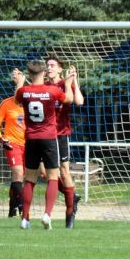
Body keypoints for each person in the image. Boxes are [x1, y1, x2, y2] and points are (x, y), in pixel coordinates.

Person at [13, 60, 74, 230]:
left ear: (29, 74)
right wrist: (68, 84)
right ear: (44, 73)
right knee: (53, 177)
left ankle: (25, 219)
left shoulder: (24, 91)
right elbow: (68, 99)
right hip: (49, 138)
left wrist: (18, 83)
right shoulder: (52, 90)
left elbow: (17, 100)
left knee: (30, 179)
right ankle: (47, 214)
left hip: (31, 139)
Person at [46, 55, 84, 228]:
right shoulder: (44, 86)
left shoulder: (65, 84)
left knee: (64, 172)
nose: (49, 68)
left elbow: (79, 101)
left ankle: (70, 212)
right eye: (47, 65)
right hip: (45, 135)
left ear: (60, 69)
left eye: (52, 65)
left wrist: (74, 80)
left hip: (61, 134)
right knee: (42, 173)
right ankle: (72, 195)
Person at [0, 94, 26, 218]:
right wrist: (1, 139)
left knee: (39, 174)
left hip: (31, 144)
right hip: (12, 143)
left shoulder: (33, 102)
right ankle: (23, 209)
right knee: (18, 173)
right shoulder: (6, 103)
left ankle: (12, 208)